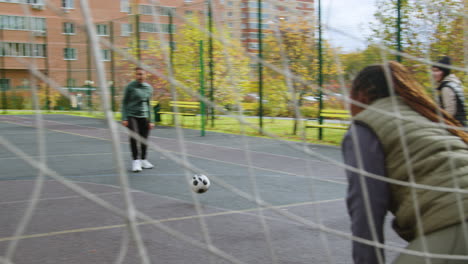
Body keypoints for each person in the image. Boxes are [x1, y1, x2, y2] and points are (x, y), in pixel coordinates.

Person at [342, 61, 468, 264]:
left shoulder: (366, 125)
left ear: (361, 93)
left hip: (456, 222)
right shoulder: (428, 115)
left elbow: (366, 209)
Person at [121, 67, 155, 172]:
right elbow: (124, 102)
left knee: (144, 139)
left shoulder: (148, 88)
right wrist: (124, 118)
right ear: (135, 75)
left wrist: (151, 120)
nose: (140, 76)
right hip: (132, 115)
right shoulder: (130, 87)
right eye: (138, 74)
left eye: (142, 74)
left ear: (145, 75)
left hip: (144, 116)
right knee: (134, 137)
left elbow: (149, 104)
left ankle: (143, 160)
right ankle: (136, 161)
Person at [431, 56, 466, 126]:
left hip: (456, 127)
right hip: (461, 125)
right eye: (433, 71)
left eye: (437, 71)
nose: (434, 74)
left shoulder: (447, 87)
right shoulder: (454, 83)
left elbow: (449, 113)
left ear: (444, 72)